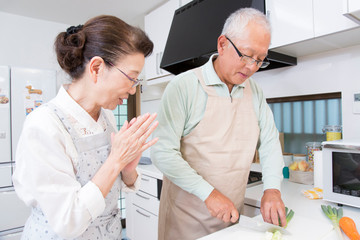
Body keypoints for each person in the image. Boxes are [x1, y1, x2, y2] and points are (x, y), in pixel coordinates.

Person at [13, 15, 158, 240]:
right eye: (131, 78)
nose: (132, 90)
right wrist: (116, 160)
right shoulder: (43, 126)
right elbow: (67, 221)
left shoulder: (106, 116)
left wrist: (127, 170)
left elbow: (112, 188)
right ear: (97, 68)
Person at [151, 8, 286, 240]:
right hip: (186, 222)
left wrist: (272, 188)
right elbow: (163, 152)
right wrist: (209, 194)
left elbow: (270, 143)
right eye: (246, 55)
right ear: (222, 44)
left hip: (232, 219)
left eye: (260, 60)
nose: (252, 67)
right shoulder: (184, 86)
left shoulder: (255, 92)